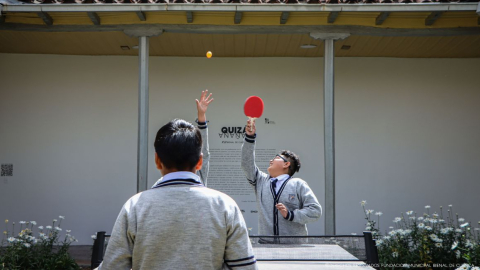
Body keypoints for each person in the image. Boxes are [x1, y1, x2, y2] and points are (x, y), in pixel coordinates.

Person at [97, 118, 257, 269]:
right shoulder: (225, 206)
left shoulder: (135, 206)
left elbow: (113, 266)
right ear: (200, 161)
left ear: (157, 160)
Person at [241, 119, 322, 239]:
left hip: (295, 249)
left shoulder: (298, 184)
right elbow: (246, 164)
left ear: (286, 164)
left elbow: (315, 211)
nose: (271, 160)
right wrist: (249, 137)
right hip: (266, 247)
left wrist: (291, 214)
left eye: (276, 158)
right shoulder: (261, 181)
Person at [151, 90, 213, 187]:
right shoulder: (220, 202)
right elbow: (204, 153)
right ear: (199, 161)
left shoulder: (138, 201)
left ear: (157, 160)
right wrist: (201, 117)